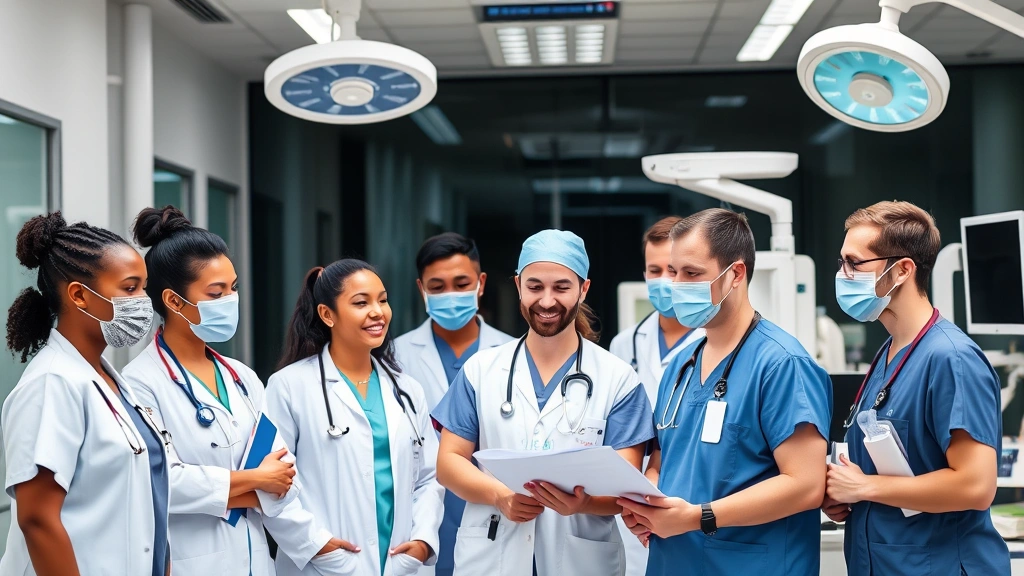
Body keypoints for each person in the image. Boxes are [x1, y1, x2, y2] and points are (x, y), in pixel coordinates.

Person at [121, 206, 348, 575]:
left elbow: (283, 473)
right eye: (216, 292)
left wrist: (313, 541)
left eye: (233, 288)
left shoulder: (241, 377)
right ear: (174, 301)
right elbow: (158, 481)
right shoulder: (139, 384)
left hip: (256, 559)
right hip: (191, 562)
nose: (231, 300)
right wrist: (254, 482)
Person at [619, 208, 832, 576]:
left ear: (735, 274)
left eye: (692, 274)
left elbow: (806, 485)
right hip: (674, 563)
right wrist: (647, 506)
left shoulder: (782, 364)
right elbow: (662, 462)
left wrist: (698, 517)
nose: (676, 286)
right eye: (673, 272)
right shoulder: (681, 365)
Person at [432, 229, 655, 576]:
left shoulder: (618, 379)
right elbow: (449, 463)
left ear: (583, 289)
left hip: (580, 560)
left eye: (561, 287)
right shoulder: (481, 370)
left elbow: (625, 486)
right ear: (519, 285)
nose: (547, 301)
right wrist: (498, 495)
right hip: (491, 556)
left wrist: (584, 504)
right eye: (535, 286)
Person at [822, 201, 1009, 575]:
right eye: (841, 262)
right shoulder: (889, 352)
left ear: (903, 269)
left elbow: (975, 486)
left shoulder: (951, 359)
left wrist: (865, 489)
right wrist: (844, 494)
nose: (843, 275)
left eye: (855, 264)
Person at [0, 212, 170, 575]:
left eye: (144, 287)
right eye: (129, 288)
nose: (143, 302)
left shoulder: (107, 378)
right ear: (79, 295)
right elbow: (38, 520)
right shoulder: (52, 383)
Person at [266, 259, 444, 576]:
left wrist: (423, 540)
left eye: (383, 300)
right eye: (361, 303)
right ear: (327, 314)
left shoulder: (406, 389)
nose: (377, 311)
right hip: (325, 565)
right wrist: (315, 545)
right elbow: (272, 483)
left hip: (400, 562)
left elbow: (428, 478)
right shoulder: (289, 387)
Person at [394, 232, 514, 576]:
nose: (451, 295)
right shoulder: (393, 358)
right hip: (419, 517)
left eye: (462, 283)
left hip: (493, 511)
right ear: (421, 290)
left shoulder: (513, 355)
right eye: (438, 286)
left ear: (481, 283)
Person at [608, 216, 704, 576]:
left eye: (674, 269)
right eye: (654, 269)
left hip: (694, 499)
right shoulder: (624, 343)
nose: (665, 280)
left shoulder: (718, 343)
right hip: (633, 503)